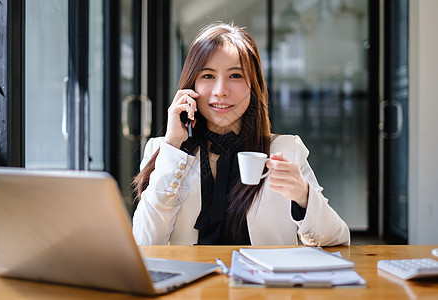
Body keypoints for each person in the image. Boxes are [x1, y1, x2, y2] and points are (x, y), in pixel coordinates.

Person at [132, 22, 350, 246]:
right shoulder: (165, 150)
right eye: (207, 76)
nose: (220, 91)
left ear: (252, 86)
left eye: (235, 75)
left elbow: (337, 238)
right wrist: (172, 144)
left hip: (263, 280)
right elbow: (145, 242)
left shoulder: (285, 150)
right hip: (192, 279)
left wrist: (303, 196)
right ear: (191, 86)